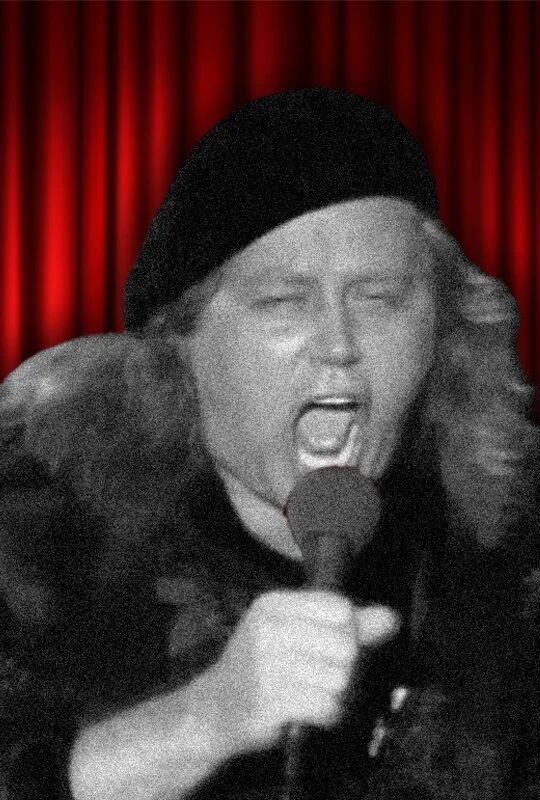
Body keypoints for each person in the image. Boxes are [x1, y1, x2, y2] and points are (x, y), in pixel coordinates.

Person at [1, 88, 539, 800]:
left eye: (379, 299)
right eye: (283, 302)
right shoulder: (39, 517)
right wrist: (200, 724)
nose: (339, 345)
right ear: (182, 340)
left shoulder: (513, 538)